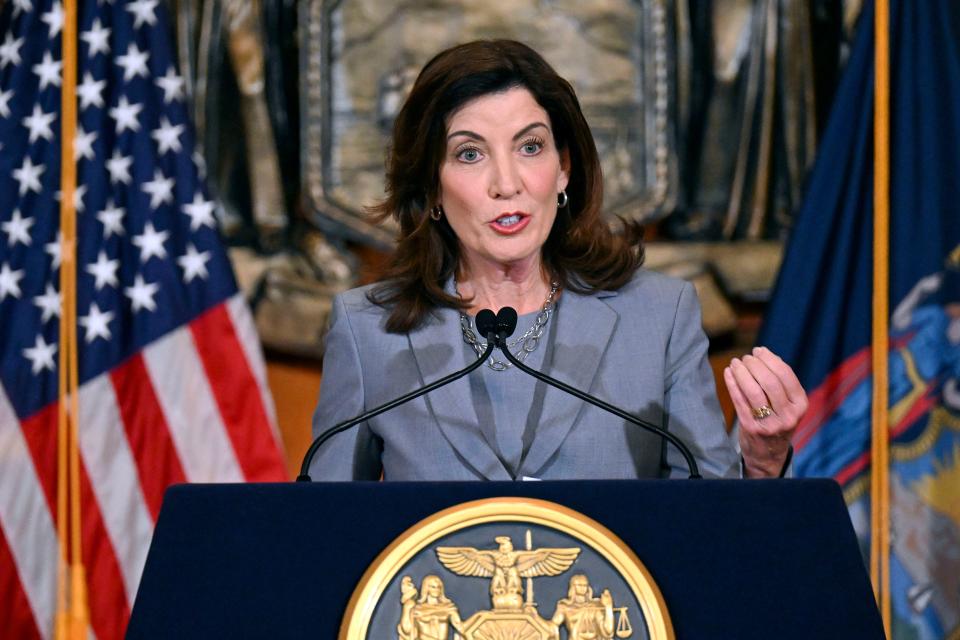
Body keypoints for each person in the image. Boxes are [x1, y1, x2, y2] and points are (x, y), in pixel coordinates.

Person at [309, 39, 807, 481]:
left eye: (530, 147)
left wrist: (762, 463)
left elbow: (711, 527)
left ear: (563, 167)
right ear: (431, 186)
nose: (508, 183)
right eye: (469, 154)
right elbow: (325, 531)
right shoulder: (368, 331)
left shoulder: (659, 317)